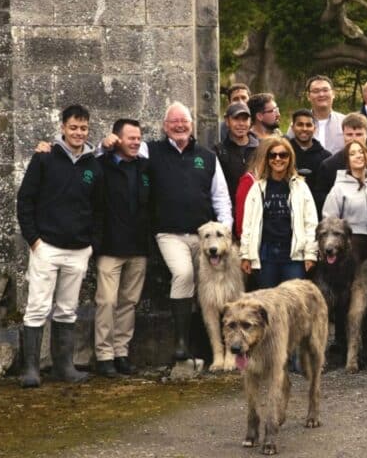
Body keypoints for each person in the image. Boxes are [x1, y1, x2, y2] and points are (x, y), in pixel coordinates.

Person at [103, 102, 233, 363]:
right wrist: (105, 143)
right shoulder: (151, 150)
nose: (179, 126)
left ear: (192, 124)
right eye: (173, 122)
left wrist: (225, 230)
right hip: (169, 233)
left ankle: (211, 349)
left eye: (184, 121)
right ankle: (181, 345)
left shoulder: (207, 156)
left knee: (209, 288)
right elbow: (122, 149)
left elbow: (221, 198)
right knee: (184, 274)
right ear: (165, 126)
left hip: (204, 236)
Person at [17, 105, 103, 387]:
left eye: (83, 128)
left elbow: (99, 208)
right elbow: (25, 200)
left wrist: (91, 243)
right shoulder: (45, 158)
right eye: (73, 127)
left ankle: (64, 367)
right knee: (37, 307)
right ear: (63, 128)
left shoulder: (93, 165)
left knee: (67, 309)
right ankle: (30, 369)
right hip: (47, 247)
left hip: (78, 250)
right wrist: (34, 240)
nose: (79, 133)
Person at [92, 118, 150, 378]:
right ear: (116, 139)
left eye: (138, 138)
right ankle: (104, 356)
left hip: (138, 247)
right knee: (106, 302)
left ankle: (121, 353)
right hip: (110, 247)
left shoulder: (145, 168)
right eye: (130, 138)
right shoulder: (102, 165)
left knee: (129, 303)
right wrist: (100, 148)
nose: (136, 142)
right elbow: (86, 165)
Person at [240, 136, 318, 288]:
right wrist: (246, 255)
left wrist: (310, 254)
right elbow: (248, 225)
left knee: (294, 302)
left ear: (290, 158)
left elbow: (311, 223)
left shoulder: (300, 187)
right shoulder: (257, 188)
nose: (278, 159)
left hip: (293, 254)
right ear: (267, 159)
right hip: (266, 254)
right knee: (268, 303)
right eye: (273, 155)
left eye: (283, 155)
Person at [323, 140, 367, 261]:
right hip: (351, 243)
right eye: (352, 153)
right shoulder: (338, 189)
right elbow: (329, 220)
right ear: (347, 160)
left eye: (361, 152)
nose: (358, 155)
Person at [314, 113, 367, 214]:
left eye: (359, 134)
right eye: (349, 134)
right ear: (343, 134)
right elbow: (320, 199)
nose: (354, 138)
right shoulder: (329, 165)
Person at [214, 101, 259, 217]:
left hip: (258, 212)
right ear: (227, 121)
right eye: (236, 119)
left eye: (244, 119)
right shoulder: (218, 151)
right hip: (231, 213)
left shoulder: (262, 148)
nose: (241, 124)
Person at [286, 75, 346, 155]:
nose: (321, 94)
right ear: (308, 96)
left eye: (325, 90)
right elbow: (287, 150)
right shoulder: (297, 126)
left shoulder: (345, 122)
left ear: (333, 94)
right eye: (316, 91)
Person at [289, 108, 332, 217]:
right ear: (293, 127)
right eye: (300, 124)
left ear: (314, 128)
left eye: (308, 125)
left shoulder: (326, 157)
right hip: (288, 213)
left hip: (316, 213)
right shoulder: (282, 153)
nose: (304, 129)